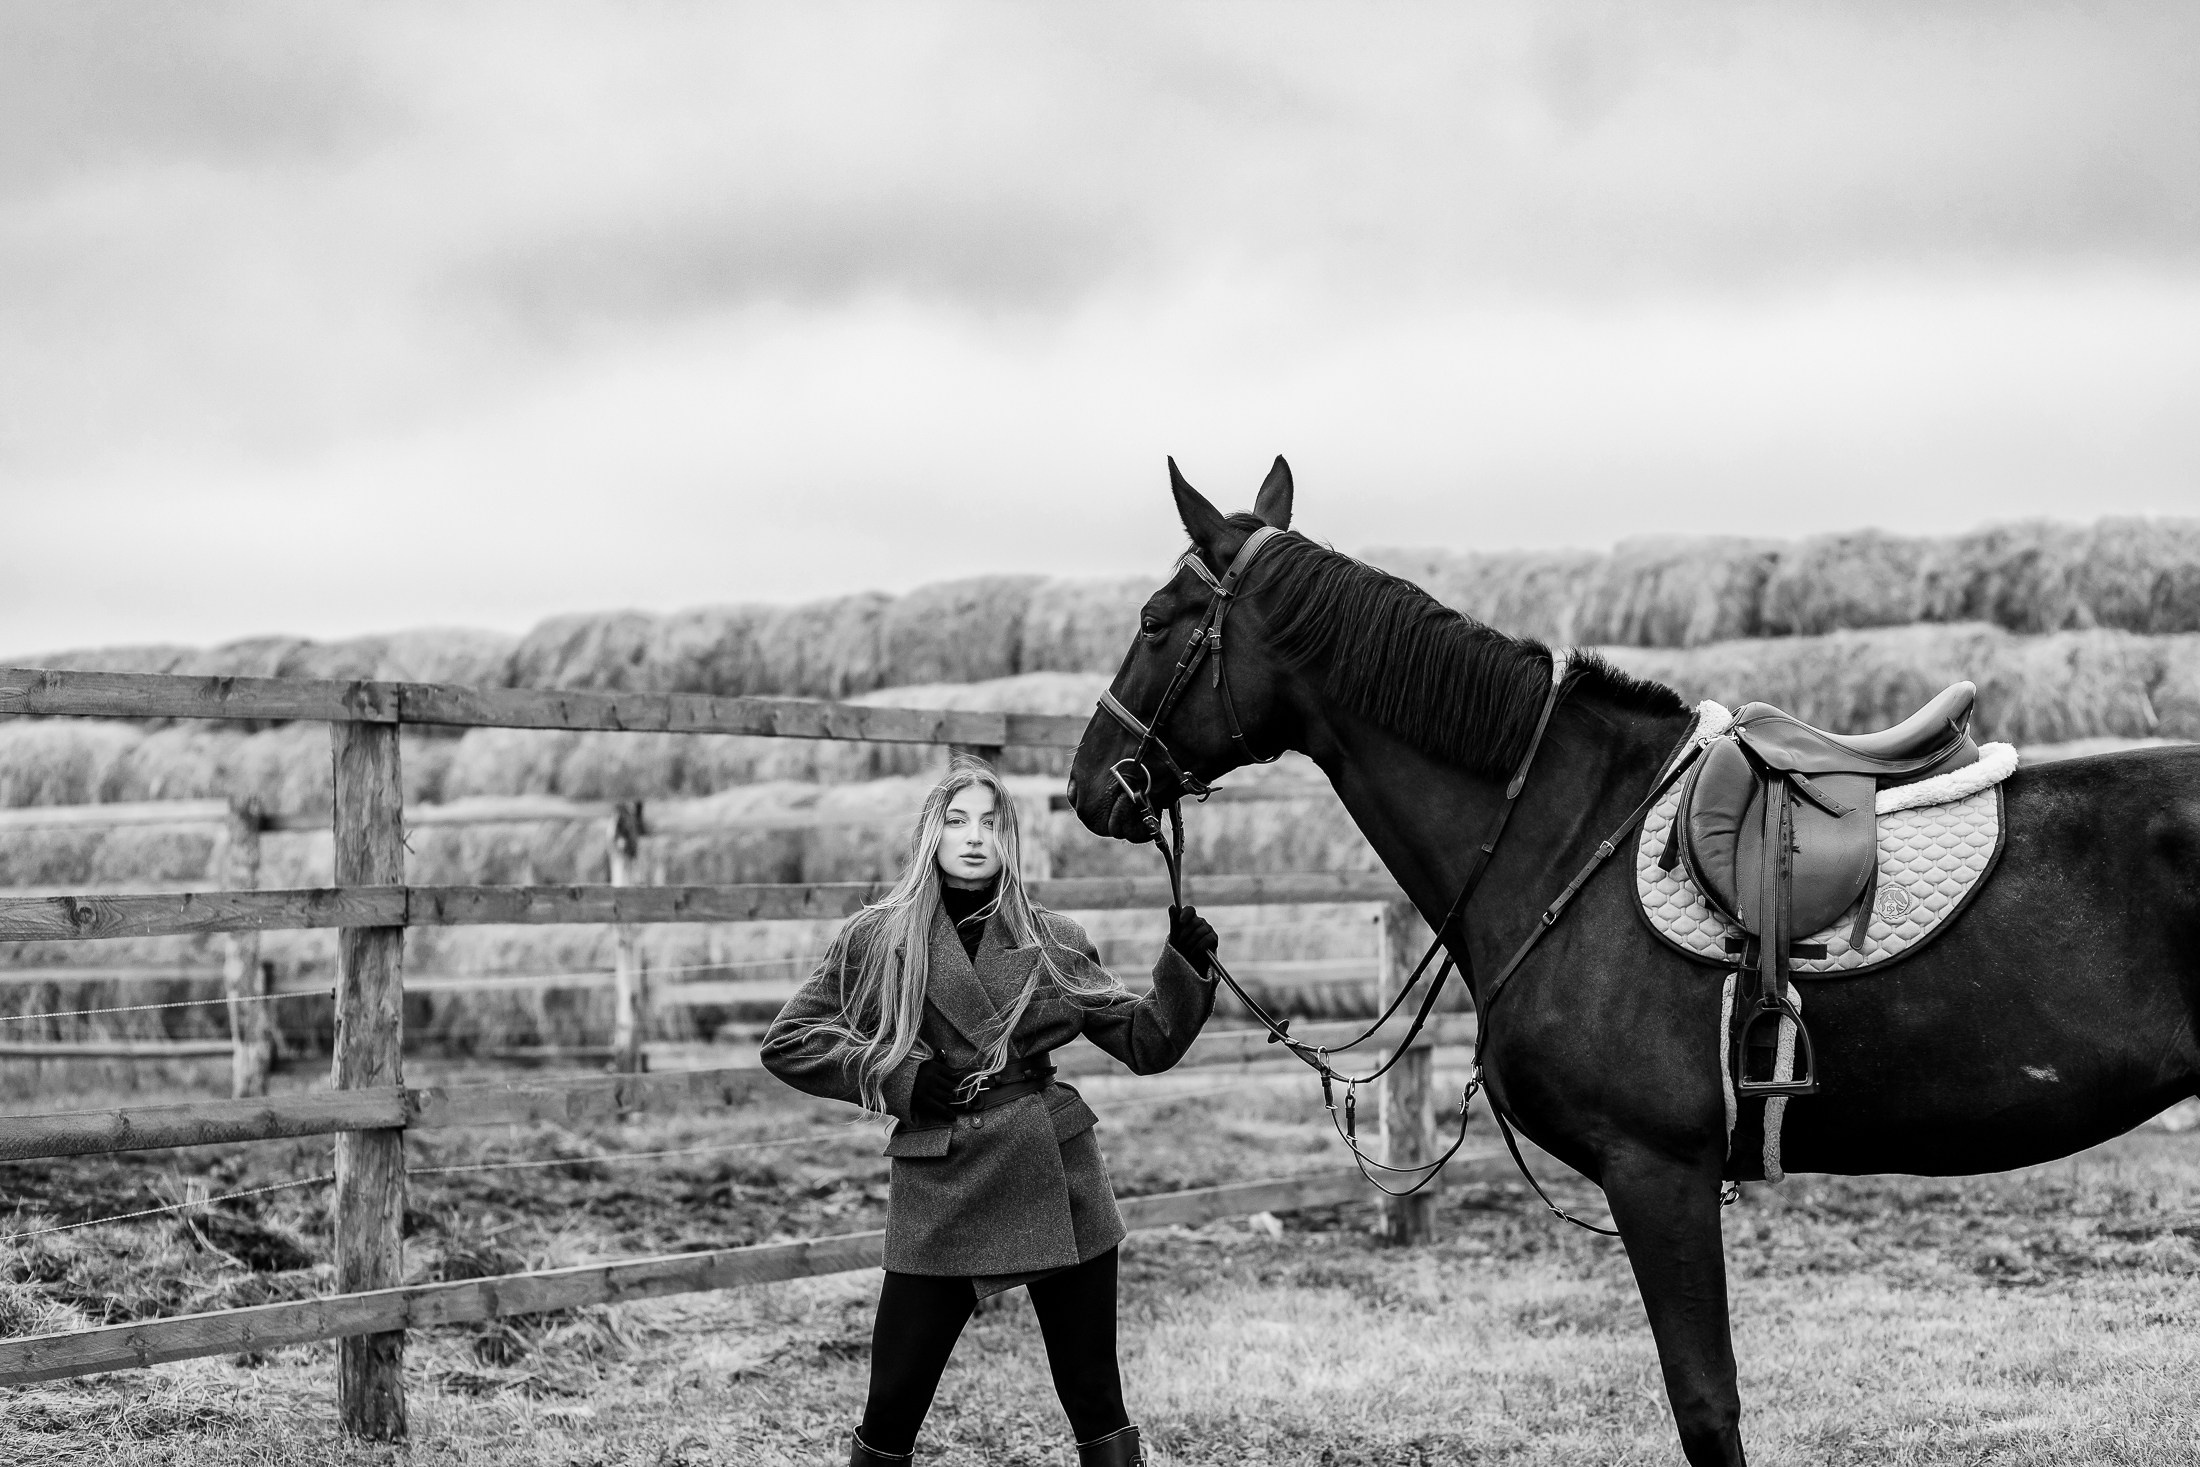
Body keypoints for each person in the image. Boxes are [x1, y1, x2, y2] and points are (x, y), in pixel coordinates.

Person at [761, 754, 1220, 1467]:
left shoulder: (1053, 937)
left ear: (1009, 838)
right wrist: (901, 1076)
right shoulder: (879, 938)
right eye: (956, 819)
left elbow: (1146, 1036)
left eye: (991, 821)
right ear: (931, 834)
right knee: (890, 1409)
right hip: (941, 1176)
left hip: (1054, 1172)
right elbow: (790, 1039)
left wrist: (1184, 966)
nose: (974, 836)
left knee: (1096, 1398)